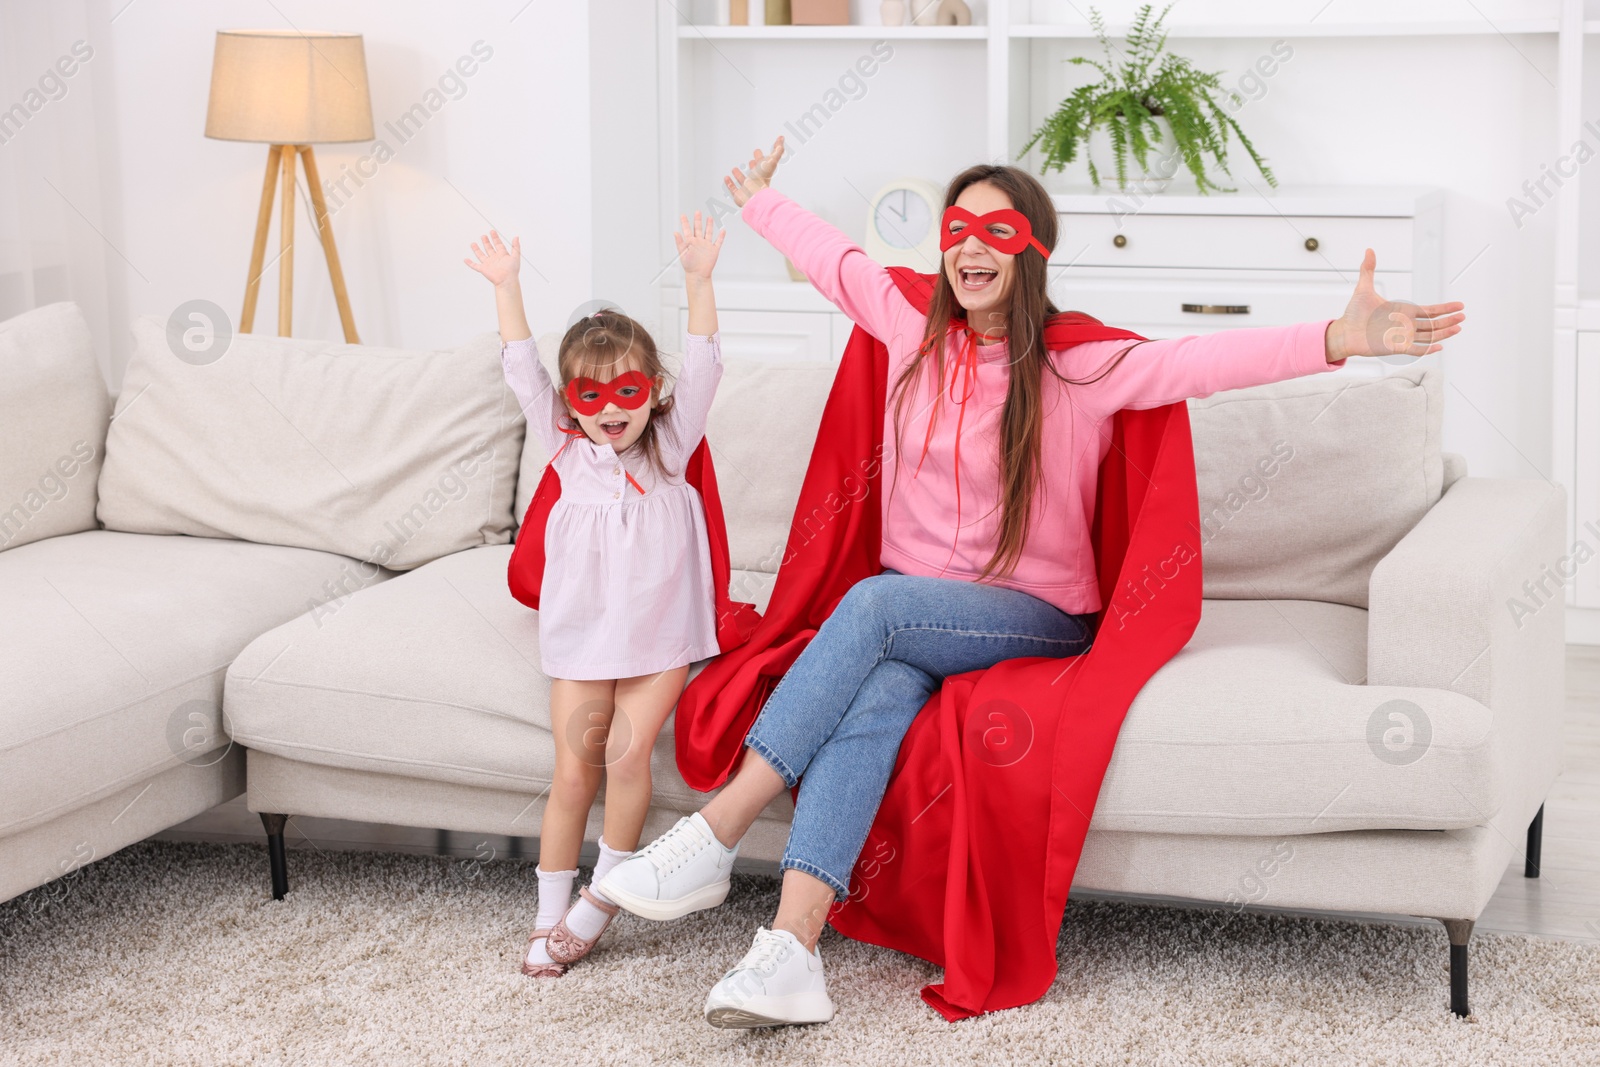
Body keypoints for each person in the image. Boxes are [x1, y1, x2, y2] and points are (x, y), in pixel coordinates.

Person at [602, 137, 1467, 1028]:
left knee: (876, 606)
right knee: (870, 706)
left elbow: (1204, 364)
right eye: (957, 229)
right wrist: (758, 203)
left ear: (1031, 252)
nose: (971, 247)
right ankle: (790, 951)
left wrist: (1342, 337)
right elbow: (836, 260)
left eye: (997, 231)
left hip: (1036, 614)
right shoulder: (909, 330)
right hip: (915, 619)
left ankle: (716, 829)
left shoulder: (1078, 365)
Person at [463, 214, 730, 977]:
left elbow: (708, 367)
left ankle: (602, 899)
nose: (610, 409)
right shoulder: (565, 451)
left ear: (653, 393)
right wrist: (508, 288)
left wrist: (699, 279)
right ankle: (550, 910)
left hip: (659, 638)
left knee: (625, 751)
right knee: (576, 765)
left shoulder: (670, 449)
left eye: (628, 391)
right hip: (584, 636)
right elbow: (521, 368)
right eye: (591, 395)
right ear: (571, 403)